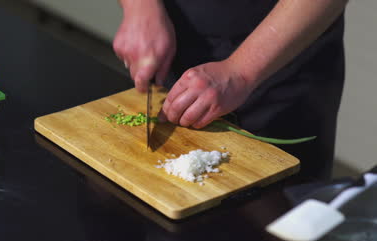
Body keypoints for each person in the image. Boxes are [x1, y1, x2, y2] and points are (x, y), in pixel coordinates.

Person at [113, 0, 348, 180]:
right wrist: (140, 9)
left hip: (282, 60)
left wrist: (241, 71)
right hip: (169, 35)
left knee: (277, 224)